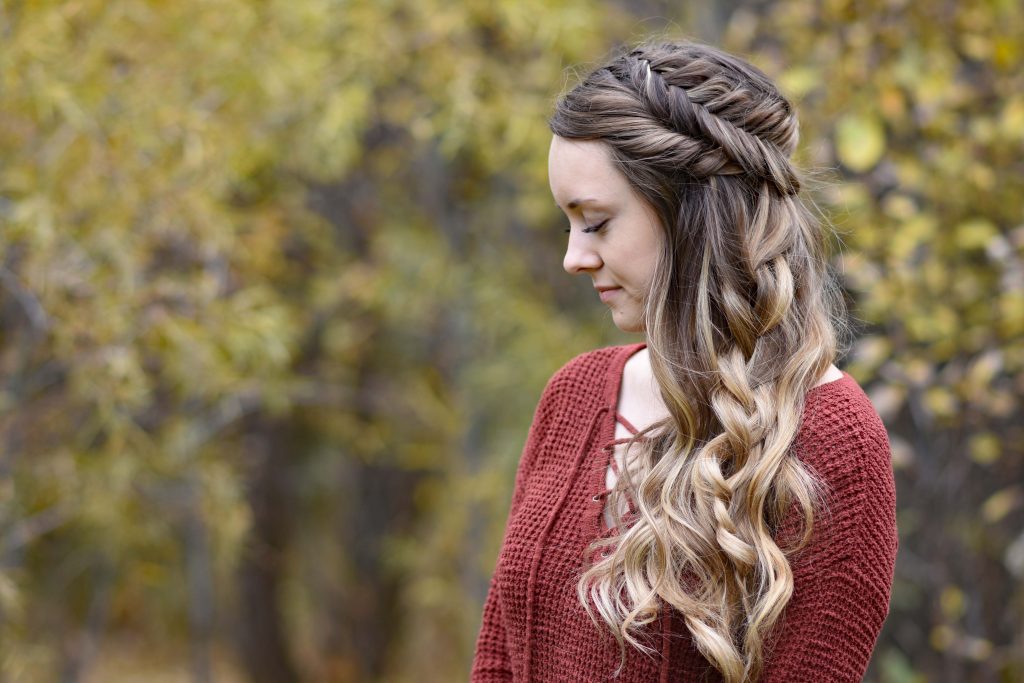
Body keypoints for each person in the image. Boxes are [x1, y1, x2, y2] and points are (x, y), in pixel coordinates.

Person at [470, 38, 898, 683]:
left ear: (689, 213)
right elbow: (499, 659)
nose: (573, 258)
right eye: (568, 224)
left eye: (596, 222)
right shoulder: (575, 396)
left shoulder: (832, 441)